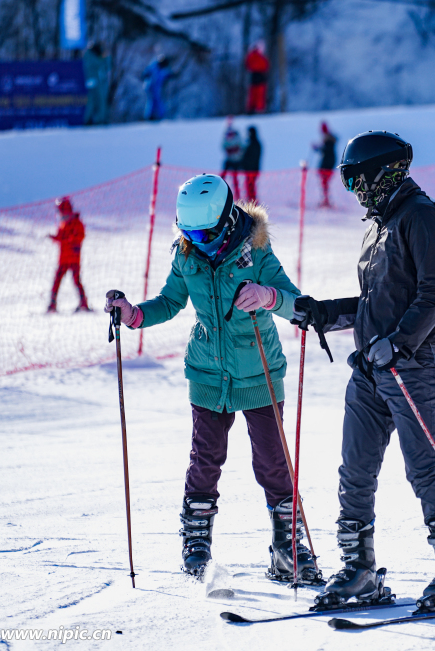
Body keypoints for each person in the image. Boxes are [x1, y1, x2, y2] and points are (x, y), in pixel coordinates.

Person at [290, 131, 435, 612]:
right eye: (347, 179)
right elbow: (376, 304)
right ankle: (359, 571)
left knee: (423, 468)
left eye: (356, 177)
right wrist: (325, 313)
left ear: (383, 172)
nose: (353, 189)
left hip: (413, 367)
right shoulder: (380, 225)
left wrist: (399, 343)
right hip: (372, 368)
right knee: (355, 470)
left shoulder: (423, 219)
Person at [104, 174, 321, 584]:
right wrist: (133, 314)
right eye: (188, 232)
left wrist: (267, 296)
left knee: (273, 463)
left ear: (225, 221)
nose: (196, 240)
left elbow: (295, 302)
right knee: (205, 460)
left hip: (258, 368)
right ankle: (196, 542)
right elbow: (170, 301)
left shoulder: (256, 252)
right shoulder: (186, 255)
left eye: (204, 232)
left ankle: (287, 549)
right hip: (208, 372)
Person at [48, 197, 91, 313]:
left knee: (76, 280)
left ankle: (83, 303)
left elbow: (79, 237)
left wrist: (68, 240)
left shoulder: (77, 223)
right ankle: (52, 304)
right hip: (63, 259)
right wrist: (54, 238)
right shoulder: (63, 224)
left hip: (74, 259)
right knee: (57, 281)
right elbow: (61, 238)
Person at [83, 41, 111, 125]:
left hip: (99, 82)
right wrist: (104, 57)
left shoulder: (97, 56)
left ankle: (100, 119)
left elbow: (107, 67)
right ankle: (90, 119)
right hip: (93, 81)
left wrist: (106, 58)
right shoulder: (89, 55)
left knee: (100, 101)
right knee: (93, 101)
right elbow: (97, 64)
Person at [312, 121, 338, 207]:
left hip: (327, 166)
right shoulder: (329, 140)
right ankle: (325, 200)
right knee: (325, 184)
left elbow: (326, 151)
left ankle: (326, 201)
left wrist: (318, 148)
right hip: (328, 166)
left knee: (325, 184)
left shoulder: (328, 141)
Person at [143, 54, 173, 121]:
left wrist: (170, 76)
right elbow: (146, 73)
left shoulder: (162, 69)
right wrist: (146, 75)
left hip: (157, 88)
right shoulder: (153, 66)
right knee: (152, 101)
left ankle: (159, 115)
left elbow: (166, 74)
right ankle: (150, 116)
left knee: (157, 100)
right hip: (150, 86)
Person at [220, 118, 244, 199]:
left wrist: (233, 149)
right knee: (223, 178)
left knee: (235, 179)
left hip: (235, 161)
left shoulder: (237, 136)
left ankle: (237, 196)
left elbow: (240, 147)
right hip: (229, 160)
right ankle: (217, 192)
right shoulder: (226, 136)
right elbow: (224, 146)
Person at [245, 42, 269, 114]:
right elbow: (265, 65)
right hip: (257, 77)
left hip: (256, 77)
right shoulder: (255, 56)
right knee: (257, 94)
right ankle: (258, 109)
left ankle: (255, 109)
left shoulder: (252, 56)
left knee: (256, 94)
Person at [240, 125, 261, 204]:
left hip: (252, 170)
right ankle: (251, 202)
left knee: (251, 188)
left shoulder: (255, 143)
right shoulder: (250, 142)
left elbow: (252, 158)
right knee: (249, 187)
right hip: (249, 170)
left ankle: (253, 203)